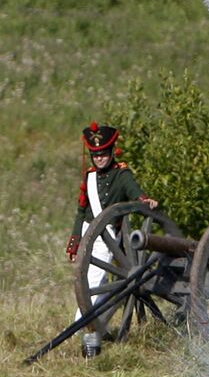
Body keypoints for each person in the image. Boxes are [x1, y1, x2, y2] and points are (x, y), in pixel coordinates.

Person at [66, 122, 158, 357]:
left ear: (111, 152)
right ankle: (91, 329)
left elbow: (134, 191)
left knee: (96, 286)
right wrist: (75, 241)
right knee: (92, 284)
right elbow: (81, 211)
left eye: (103, 154)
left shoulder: (121, 175)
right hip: (90, 234)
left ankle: (88, 331)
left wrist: (144, 200)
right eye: (95, 154)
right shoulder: (89, 178)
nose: (99, 158)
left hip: (108, 237)